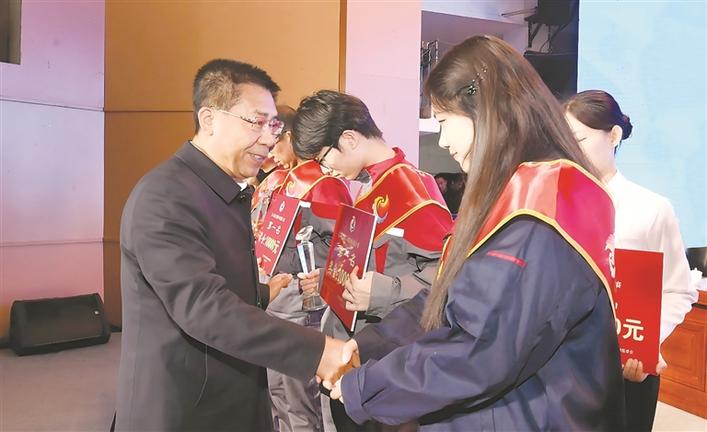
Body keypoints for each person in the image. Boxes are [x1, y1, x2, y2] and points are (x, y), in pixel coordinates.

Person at [329, 35, 626, 431]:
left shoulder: (539, 206)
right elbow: (451, 297)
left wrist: (367, 386)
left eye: (444, 122)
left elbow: (480, 348)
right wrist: (370, 346)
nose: (443, 141)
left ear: (487, 110)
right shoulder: (523, 190)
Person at [115, 59, 354, 431]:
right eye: (256, 122)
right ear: (209, 118)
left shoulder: (221, 190)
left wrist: (262, 292)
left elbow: (213, 273)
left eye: (274, 126)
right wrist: (318, 351)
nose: (269, 139)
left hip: (230, 393)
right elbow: (203, 305)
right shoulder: (165, 196)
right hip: (184, 409)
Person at [292, 90, 454, 431]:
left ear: (349, 139)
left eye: (323, 158)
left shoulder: (411, 191)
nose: (325, 170)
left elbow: (449, 277)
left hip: (389, 360)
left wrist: (383, 292)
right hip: (363, 353)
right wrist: (330, 278)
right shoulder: (369, 183)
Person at [564, 90, 698, 432]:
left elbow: (679, 290)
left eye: (580, 139)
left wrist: (646, 343)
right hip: (566, 368)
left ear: (614, 135)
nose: (572, 150)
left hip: (629, 370)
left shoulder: (652, 208)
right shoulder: (558, 205)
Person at [252, 105, 353, 432]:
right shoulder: (278, 181)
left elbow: (343, 248)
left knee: (301, 398)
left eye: (274, 142)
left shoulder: (323, 184)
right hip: (275, 296)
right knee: (278, 393)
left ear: (290, 136)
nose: (270, 151)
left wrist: (317, 275)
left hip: (301, 301)